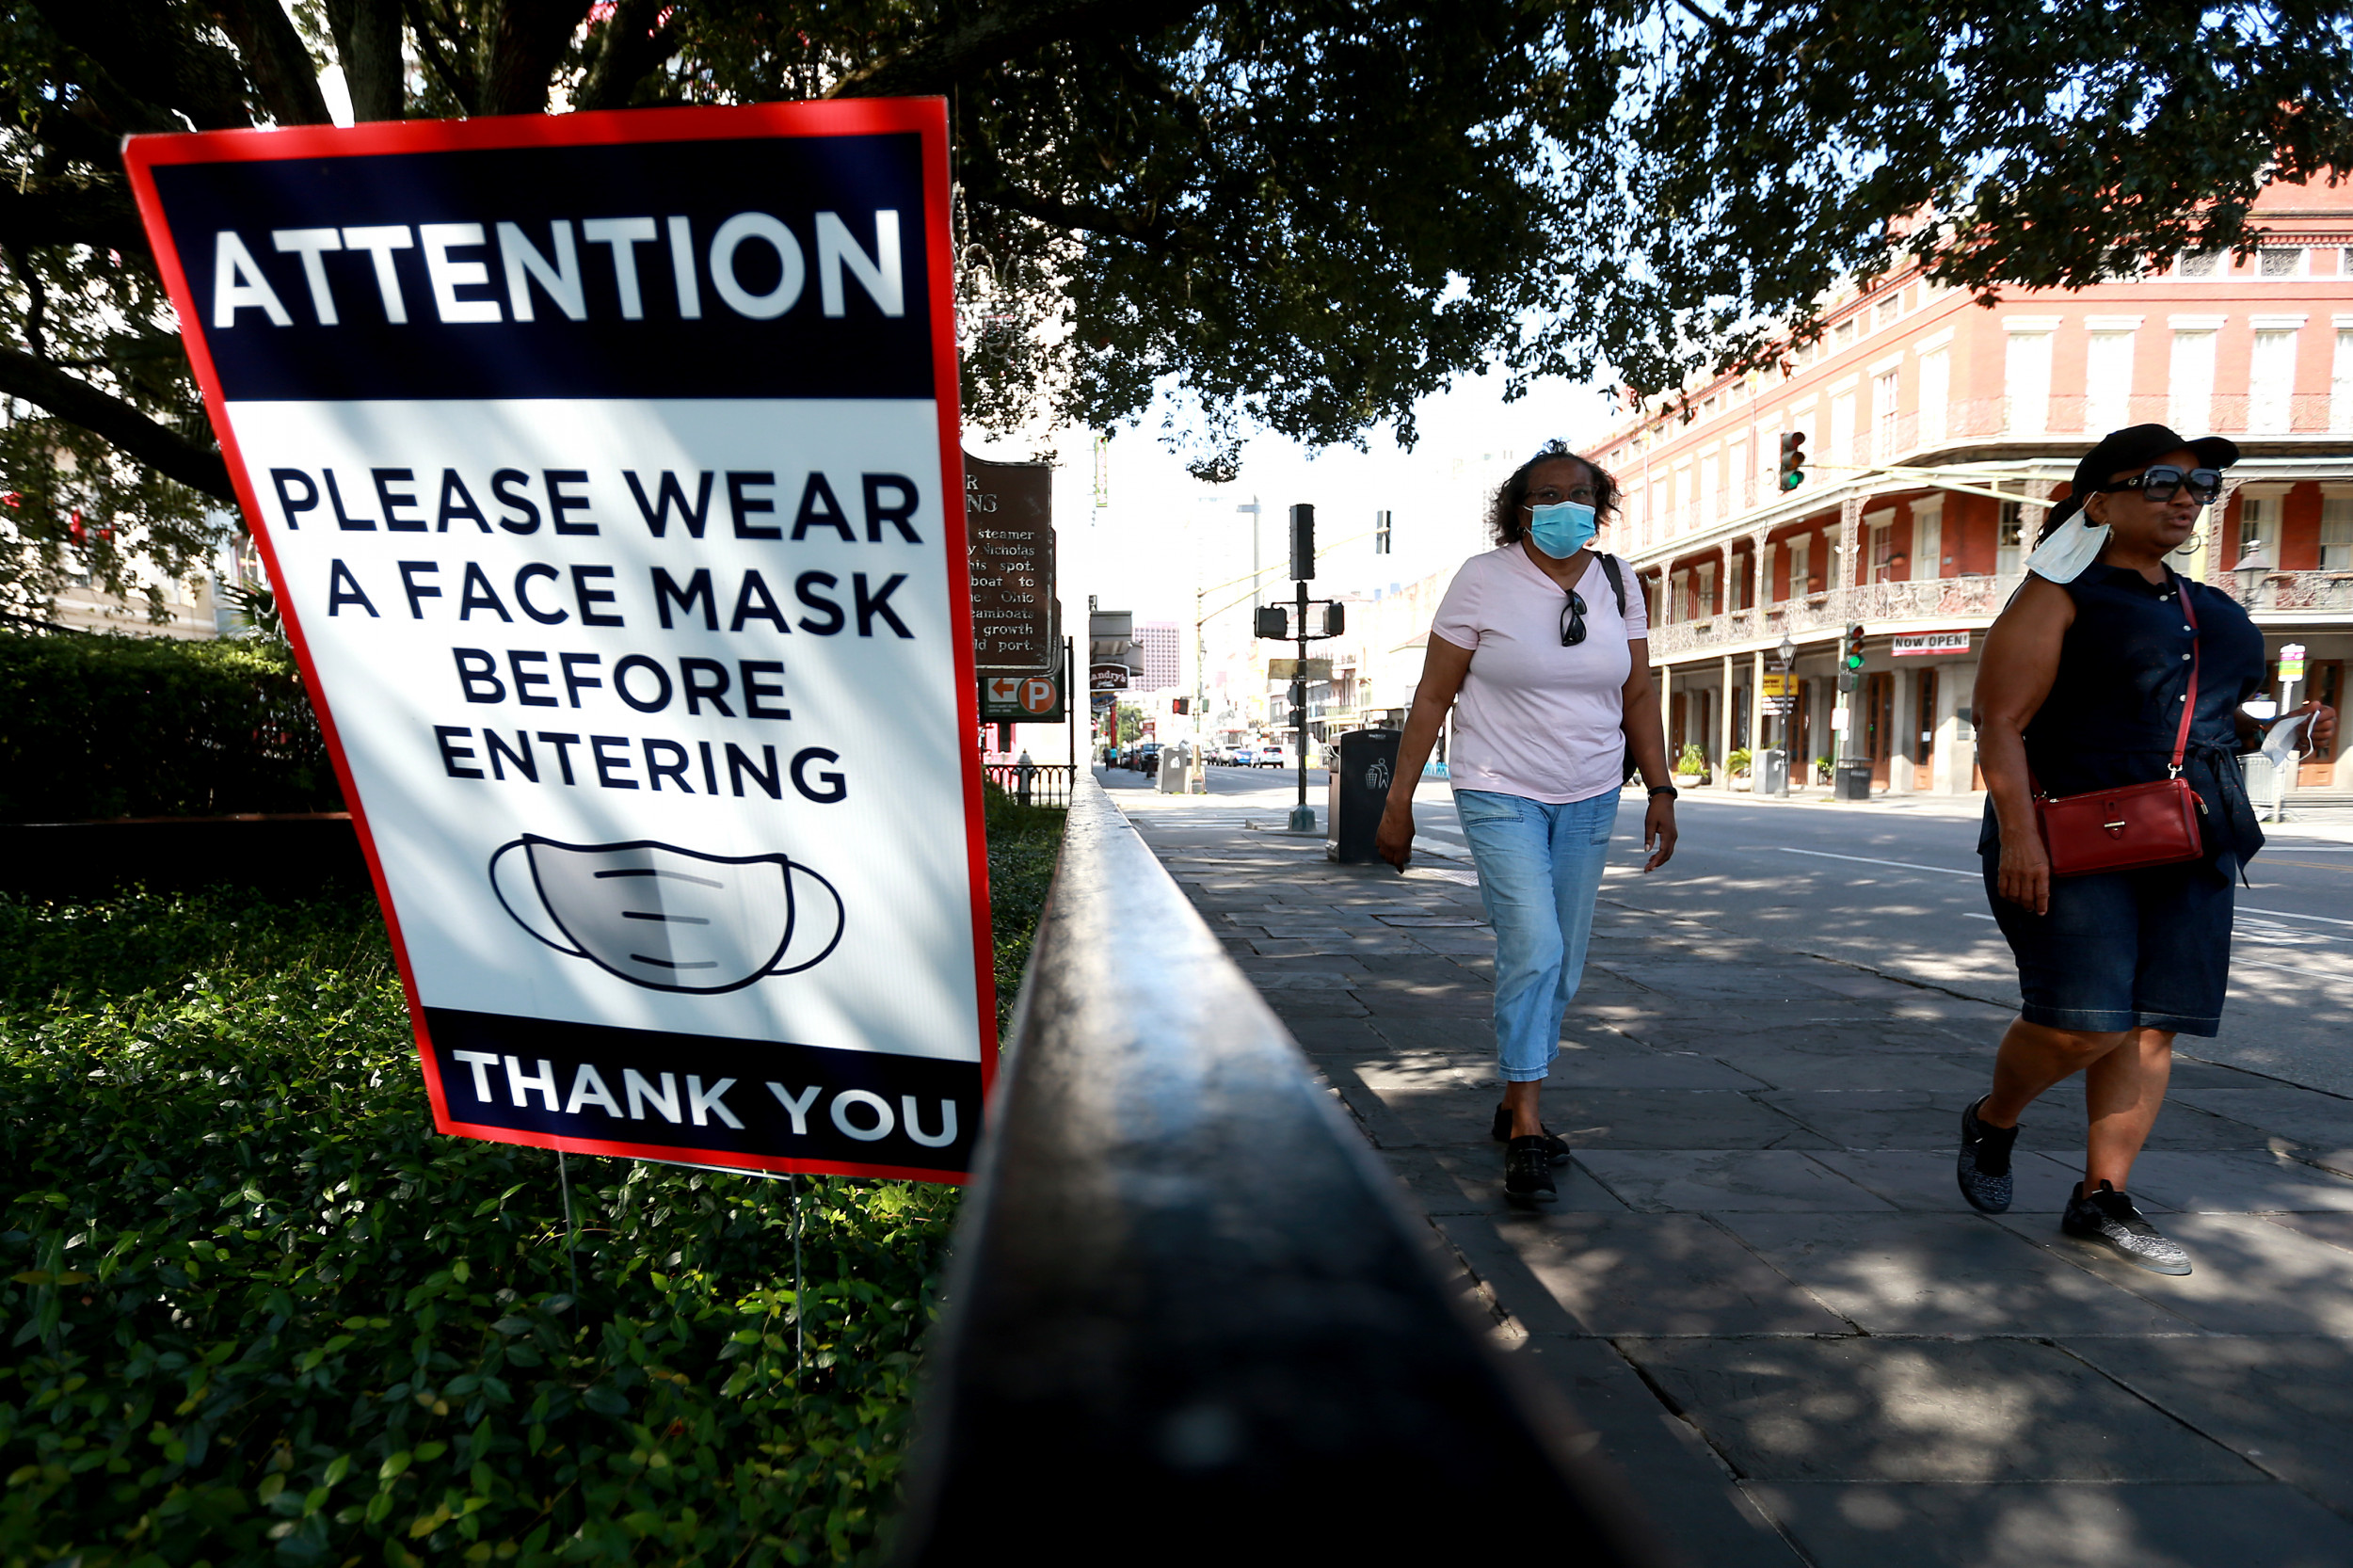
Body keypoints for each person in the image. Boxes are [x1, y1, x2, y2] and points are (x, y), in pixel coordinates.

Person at [1959, 424, 2336, 1273]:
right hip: (2069, 834)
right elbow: (2000, 720)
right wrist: (2019, 835)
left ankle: (2102, 1197)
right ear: (2099, 500)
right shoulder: (2058, 595)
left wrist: (2284, 727)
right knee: (2080, 1024)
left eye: (2199, 488)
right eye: (2161, 480)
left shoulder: (2213, 609)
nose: (2184, 498)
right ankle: (1995, 1120)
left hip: (2192, 834)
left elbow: (2208, 720)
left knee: (2153, 1027)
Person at [1375, 440, 1678, 1207]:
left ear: (1599, 506)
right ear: (1518, 510)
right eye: (1543, 497)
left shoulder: (1617, 581)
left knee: (1565, 962)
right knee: (1535, 946)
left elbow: (1638, 693)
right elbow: (1432, 697)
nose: (1561, 507)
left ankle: (1515, 1094)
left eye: (1577, 493)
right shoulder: (1483, 580)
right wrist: (1397, 800)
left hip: (1591, 794)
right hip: (1498, 787)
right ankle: (1529, 1129)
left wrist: (1663, 790)